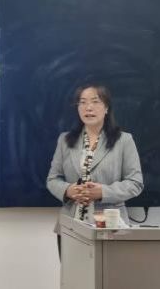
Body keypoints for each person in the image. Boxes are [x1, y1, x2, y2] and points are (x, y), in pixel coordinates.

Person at [46, 83, 143, 256]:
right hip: (71, 226)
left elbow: (135, 183)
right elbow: (52, 179)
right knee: (73, 273)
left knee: (109, 273)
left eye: (95, 101)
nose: (88, 107)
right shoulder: (65, 140)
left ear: (106, 108)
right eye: (82, 102)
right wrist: (68, 190)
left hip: (111, 227)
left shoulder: (124, 140)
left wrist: (102, 192)